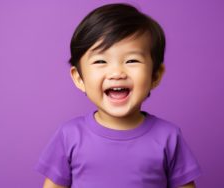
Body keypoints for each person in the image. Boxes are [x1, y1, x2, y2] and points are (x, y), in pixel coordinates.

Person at [36, 3, 201, 188]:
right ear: (79, 78)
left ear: (155, 75)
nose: (117, 72)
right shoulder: (69, 136)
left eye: (131, 60)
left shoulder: (168, 137)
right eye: (100, 61)